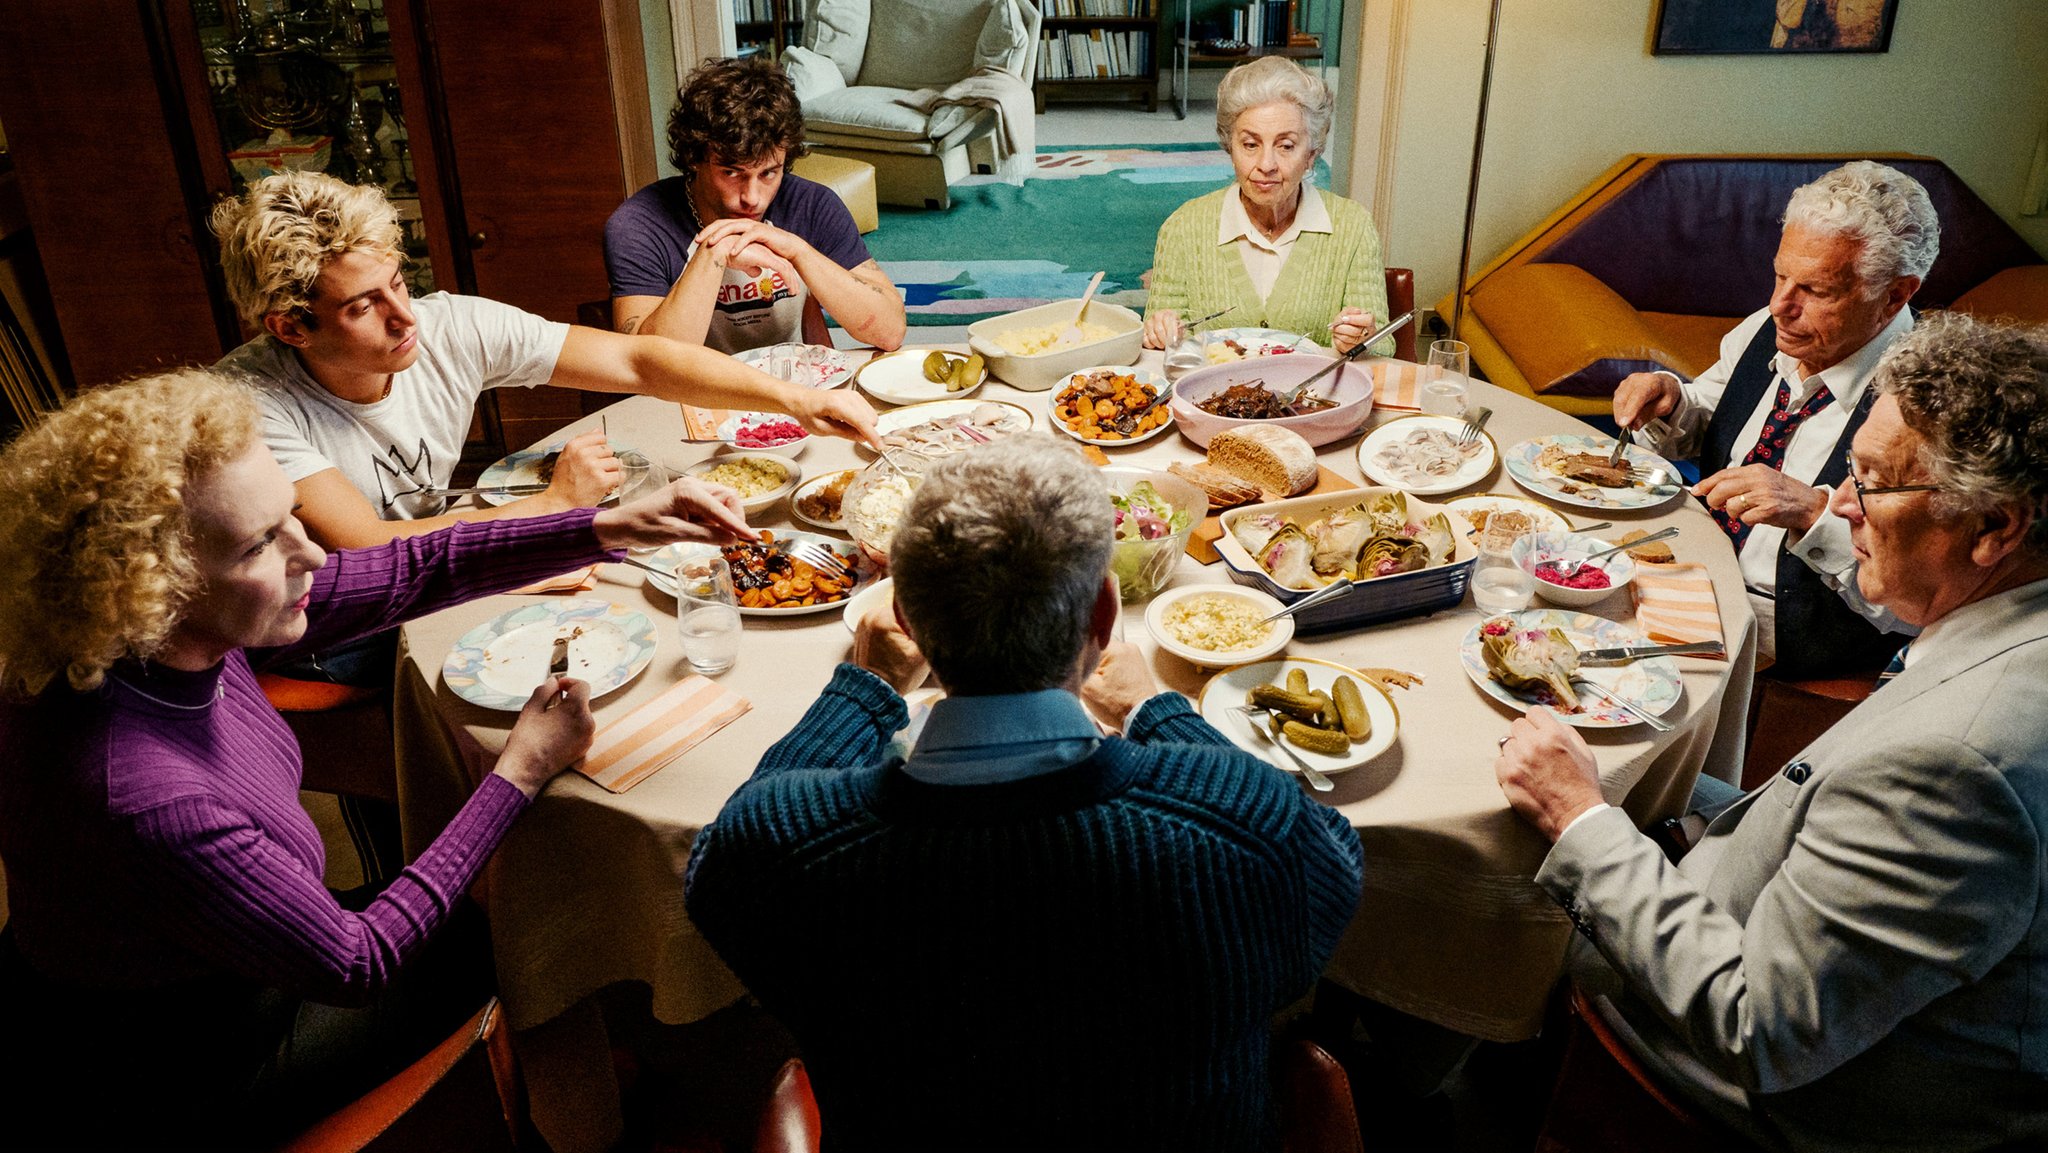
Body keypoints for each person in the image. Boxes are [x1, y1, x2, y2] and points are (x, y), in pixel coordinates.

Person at [0, 369, 759, 1150]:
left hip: (233, 959)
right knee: (526, 929)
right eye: (263, 541)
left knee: (516, 900)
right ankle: (580, 1129)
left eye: (291, 517)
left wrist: (611, 526)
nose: (310, 554)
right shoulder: (142, 795)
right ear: (148, 588)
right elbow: (359, 960)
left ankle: (575, 1084)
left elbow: (411, 571)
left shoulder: (167, 631)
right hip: (185, 1067)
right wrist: (518, 773)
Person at [683, 435, 1364, 1151]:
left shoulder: (790, 846)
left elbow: (719, 865)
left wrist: (867, 689)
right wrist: (1154, 711)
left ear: (907, 622)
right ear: (1103, 616)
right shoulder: (1244, 824)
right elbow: (1333, 859)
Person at [1495, 312, 2048, 1153]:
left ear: (1997, 529)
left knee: (1486, 901)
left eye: (1871, 482)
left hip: (1775, 1101)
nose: (1840, 510)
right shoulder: (2010, 625)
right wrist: (1676, 799)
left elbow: (1759, 1026)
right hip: (1775, 921)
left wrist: (1584, 819)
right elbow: (1818, 813)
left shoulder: (1959, 766)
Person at [211, 170, 879, 552]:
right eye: (363, 306)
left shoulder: (448, 325)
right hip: (320, 624)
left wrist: (797, 401)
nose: (404, 315)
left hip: (431, 563)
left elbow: (644, 362)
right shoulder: (246, 405)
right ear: (289, 326)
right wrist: (555, 506)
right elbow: (371, 548)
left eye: (398, 281)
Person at [1611, 160, 1937, 675]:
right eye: (1781, 275)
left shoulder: (1928, 404)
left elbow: (1916, 605)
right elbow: (1715, 409)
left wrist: (1814, 514)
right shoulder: (1775, 325)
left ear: (1896, 294)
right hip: (1687, 570)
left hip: (1780, 640)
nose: (1780, 305)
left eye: (1817, 291)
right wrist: (1673, 402)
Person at [604, 56, 906, 354]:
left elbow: (890, 333)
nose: (752, 197)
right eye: (732, 173)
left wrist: (798, 250)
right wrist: (715, 254)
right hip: (696, 398)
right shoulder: (638, 225)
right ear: (695, 158)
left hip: (796, 389)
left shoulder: (814, 205)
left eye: (768, 173)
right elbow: (646, 368)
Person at [1142, 56, 1393, 358]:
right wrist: (1159, 331)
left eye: (1286, 146)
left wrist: (1362, 338)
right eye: (1250, 144)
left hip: (1314, 400)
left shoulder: (1353, 226)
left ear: (1312, 154)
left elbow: (1382, 347)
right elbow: (1157, 351)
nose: (1266, 165)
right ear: (1230, 147)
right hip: (1208, 400)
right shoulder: (1182, 228)